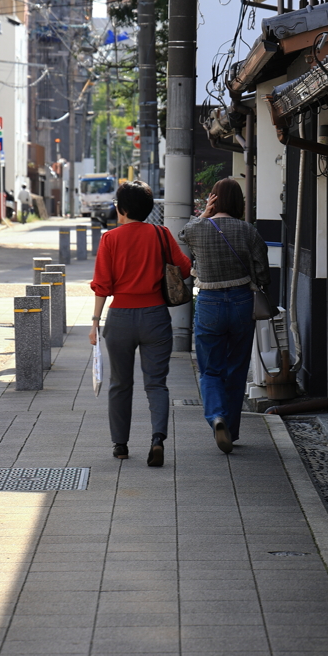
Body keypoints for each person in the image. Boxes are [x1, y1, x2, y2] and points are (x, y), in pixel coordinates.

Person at [89, 180, 191, 466]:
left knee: (120, 383)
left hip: (120, 318)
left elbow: (102, 286)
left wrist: (95, 323)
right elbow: (184, 268)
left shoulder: (110, 239)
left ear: (121, 209)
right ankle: (157, 438)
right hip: (156, 317)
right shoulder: (161, 234)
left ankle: (121, 445)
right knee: (156, 384)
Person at [180, 178, 270, 454]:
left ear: (213, 200)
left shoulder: (200, 230)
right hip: (243, 301)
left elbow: (183, 234)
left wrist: (204, 214)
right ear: (239, 202)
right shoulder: (248, 231)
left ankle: (216, 416)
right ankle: (230, 427)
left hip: (209, 303)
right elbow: (262, 271)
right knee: (236, 368)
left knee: (210, 369)